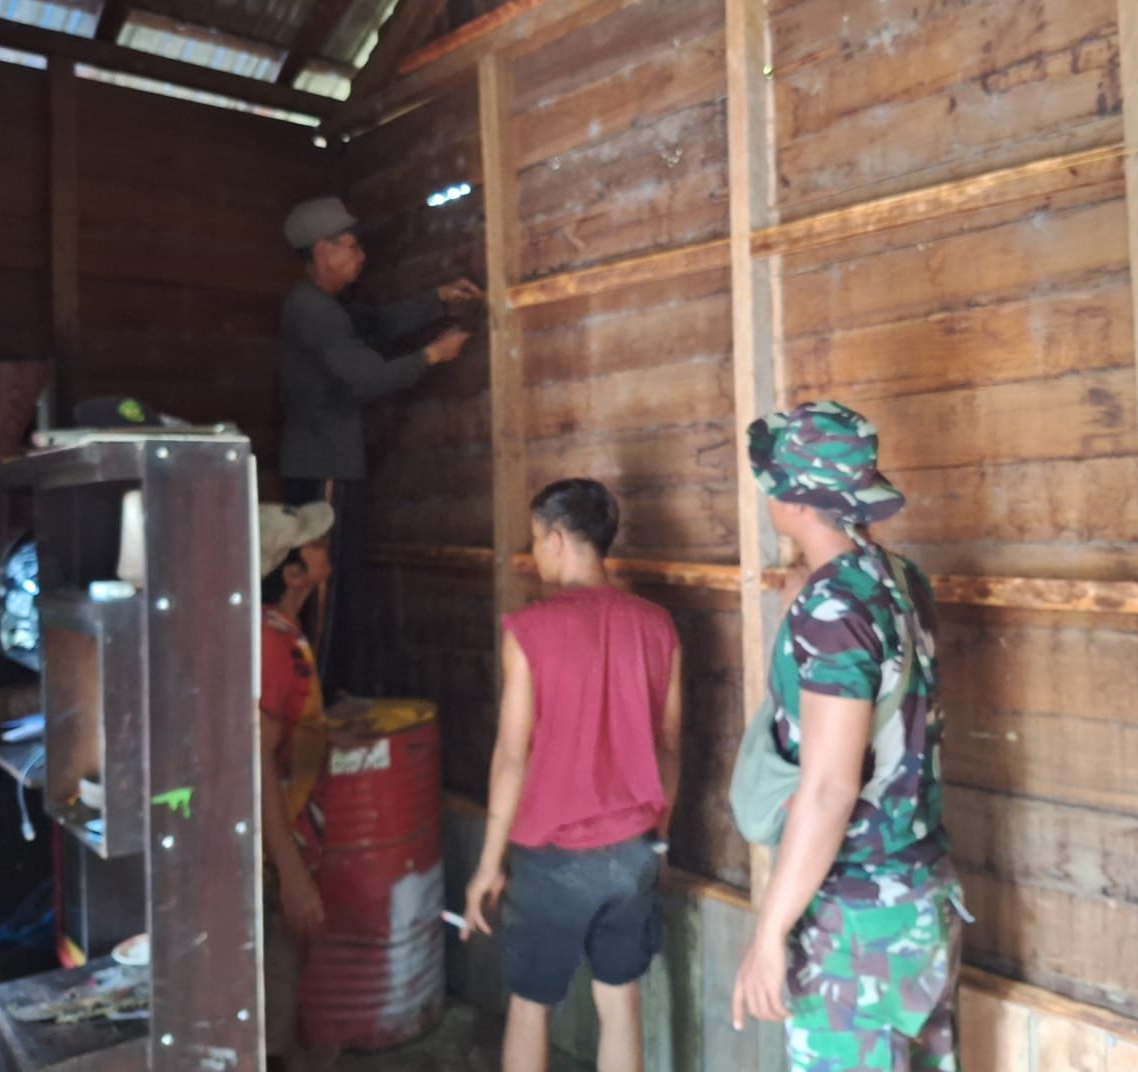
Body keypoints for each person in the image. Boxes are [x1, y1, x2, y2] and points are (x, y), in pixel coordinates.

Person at [730, 402, 964, 1072]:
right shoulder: (901, 580)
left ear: (793, 500)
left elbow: (831, 787)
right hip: (921, 892)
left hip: (857, 919)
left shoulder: (833, 608)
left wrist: (770, 933)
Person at [462, 479, 683, 1072]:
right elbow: (669, 748)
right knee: (620, 999)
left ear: (557, 539)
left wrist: (488, 863)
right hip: (633, 847)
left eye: (536, 540)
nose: (535, 553)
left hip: (553, 857)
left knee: (531, 1005)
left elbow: (512, 755)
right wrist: (659, 839)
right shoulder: (658, 625)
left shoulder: (529, 630)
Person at [278, 195, 483, 696]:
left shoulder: (325, 308)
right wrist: (431, 355)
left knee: (331, 583)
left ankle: (323, 696)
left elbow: (378, 324)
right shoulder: (313, 312)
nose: (362, 255)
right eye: (351, 246)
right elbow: (366, 378)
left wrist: (438, 299)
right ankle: (318, 701)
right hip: (324, 468)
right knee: (322, 585)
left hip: (324, 465)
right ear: (323, 251)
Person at [257, 500, 338, 1072]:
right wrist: (288, 873)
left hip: (290, 827)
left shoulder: (280, 629)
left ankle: (291, 1053)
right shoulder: (269, 644)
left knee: (285, 964)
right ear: (291, 574)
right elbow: (256, 758)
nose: (323, 545)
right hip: (272, 840)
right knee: (277, 963)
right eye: (311, 542)